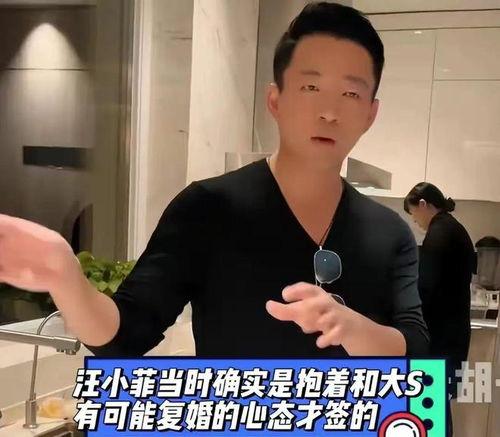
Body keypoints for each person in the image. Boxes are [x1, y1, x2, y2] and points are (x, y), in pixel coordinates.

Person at [0, 2, 428, 358]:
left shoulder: (390, 233)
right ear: (275, 100)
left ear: (371, 113)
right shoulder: (207, 209)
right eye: (311, 88)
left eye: (351, 93)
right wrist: (66, 277)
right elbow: (124, 334)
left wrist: (354, 328)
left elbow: (418, 349)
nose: (329, 112)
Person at [404, 182, 475, 436]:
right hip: (452, 333)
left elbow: (426, 287)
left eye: (413, 214)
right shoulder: (452, 228)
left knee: (429, 404)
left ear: (423, 204)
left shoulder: (440, 233)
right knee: (436, 402)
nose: (415, 221)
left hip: (440, 336)